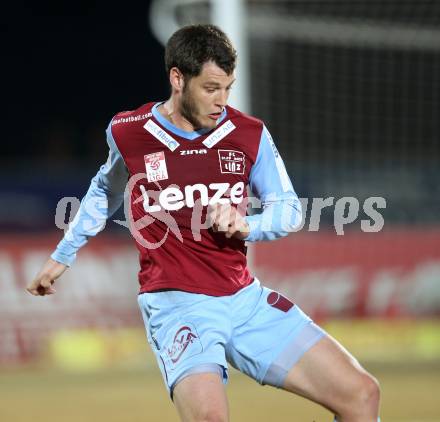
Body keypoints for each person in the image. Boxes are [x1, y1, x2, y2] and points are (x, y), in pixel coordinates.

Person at [27, 24, 380, 422]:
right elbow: (104, 191)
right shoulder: (130, 132)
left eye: (228, 87)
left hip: (244, 300)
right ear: (178, 78)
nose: (222, 100)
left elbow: (289, 210)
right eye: (211, 88)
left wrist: (248, 224)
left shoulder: (249, 134)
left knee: (362, 395)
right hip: (177, 305)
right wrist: (64, 253)